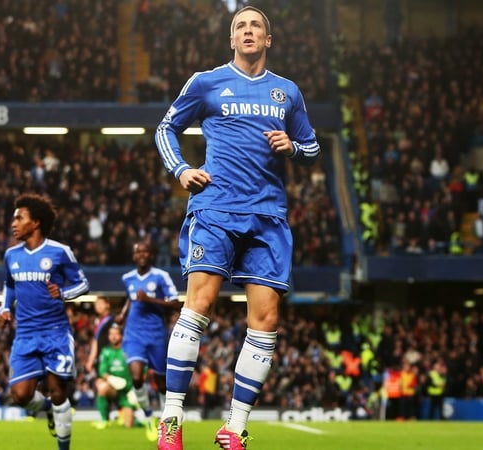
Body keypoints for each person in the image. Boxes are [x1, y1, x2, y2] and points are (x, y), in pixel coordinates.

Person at [154, 6, 320, 449]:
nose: (248, 32)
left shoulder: (287, 92)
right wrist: (181, 169)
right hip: (215, 208)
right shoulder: (206, 82)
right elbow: (166, 128)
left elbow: (312, 143)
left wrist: (294, 147)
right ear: (232, 40)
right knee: (200, 303)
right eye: (240, 27)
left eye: (256, 27)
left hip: (267, 216)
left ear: (268, 40)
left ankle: (236, 425)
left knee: (265, 320)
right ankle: (172, 419)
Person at [0, 193, 90, 450]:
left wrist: (63, 293)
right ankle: (48, 408)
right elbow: (8, 284)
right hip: (25, 334)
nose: (13, 223)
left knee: (58, 390)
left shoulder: (60, 252)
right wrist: (5, 307)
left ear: (35, 223)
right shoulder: (11, 256)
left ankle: (63, 447)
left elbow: (83, 284)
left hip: (55, 332)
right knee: (20, 396)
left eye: (19, 218)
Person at [119, 240, 181, 442]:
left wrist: (150, 300)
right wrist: (122, 314)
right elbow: (131, 298)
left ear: (151, 255)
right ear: (134, 256)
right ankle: (147, 416)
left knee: (161, 384)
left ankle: (165, 423)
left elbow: (176, 303)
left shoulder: (161, 276)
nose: (142, 254)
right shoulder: (128, 278)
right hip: (133, 334)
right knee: (137, 377)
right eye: (139, 251)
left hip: (156, 335)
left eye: (146, 251)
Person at [93, 323, 136, 429]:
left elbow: (141, 372)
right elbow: (102, 372)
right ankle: (104, 420)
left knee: (129, 425)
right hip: (114, 389)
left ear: (122, 336)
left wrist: (135, 389)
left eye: (116, 334)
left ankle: (136, 419)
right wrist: (113, 379)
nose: (113, 336)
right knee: (101, 386)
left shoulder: (129, 351)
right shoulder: (106, 351)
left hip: (128, 391)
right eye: (111, 334)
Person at [84, 297, 115, 423]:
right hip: (100, 359)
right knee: (100, 385)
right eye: (96, 304)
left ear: (107, 304)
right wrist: (91, 359)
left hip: (111, 359)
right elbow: (96, 341)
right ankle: (105, 416)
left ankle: (118, 412)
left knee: (112, 385)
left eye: (100, 303)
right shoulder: (99, 321)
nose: (97, 306)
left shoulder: (112, 320)